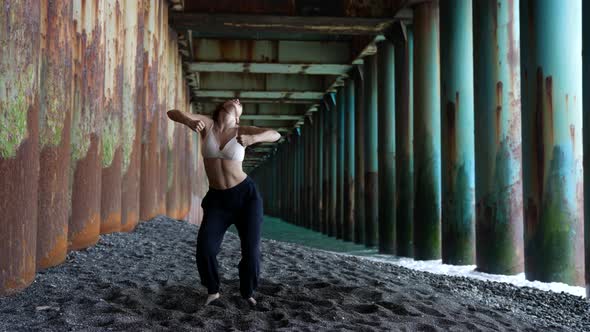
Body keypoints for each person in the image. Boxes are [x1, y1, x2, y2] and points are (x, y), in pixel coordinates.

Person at [167, 99, 281, 307]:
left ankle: (247, 293)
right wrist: (188, 121)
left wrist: (253, 138)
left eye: (240, 104)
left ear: (238, 116)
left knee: (251, 251)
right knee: (205, 248)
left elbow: (275, 134)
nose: (237, 100)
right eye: (233, 99)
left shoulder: (241, 130)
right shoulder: (207, 125)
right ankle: (213, 291)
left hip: (246, 198)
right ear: (222, 106)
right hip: (217, 199)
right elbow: (172, 112)